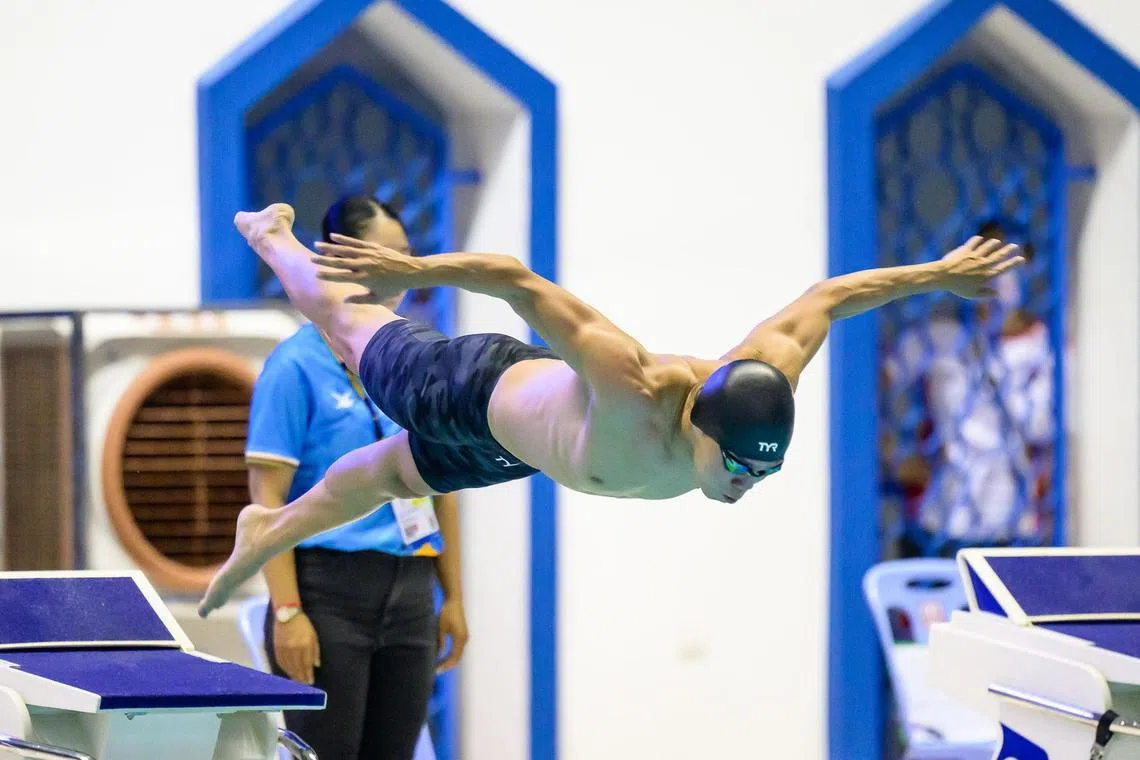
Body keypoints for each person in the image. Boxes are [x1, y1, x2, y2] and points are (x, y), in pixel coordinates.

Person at [198, 202, 1024, 616]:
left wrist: (936, 275)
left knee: (389, 473)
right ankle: (273, 236)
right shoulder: (634, 381)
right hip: (474, 387)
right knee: (346, 323)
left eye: (759, 477)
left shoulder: (764, 372)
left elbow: (831, 297)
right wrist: (408, 265)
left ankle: (271, 529)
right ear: (697, 424)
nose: (742, 486)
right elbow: (519, 281)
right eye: (736, 467)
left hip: (518, 450)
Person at [246, 196, 467, 759]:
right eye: (389, 254)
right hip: (327, 593)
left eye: (408, 255)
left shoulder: (415, 359)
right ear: (342, 259)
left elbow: (441, 489)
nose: (403, 268)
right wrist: (288, 612)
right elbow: (266, 501)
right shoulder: (294, 365)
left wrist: (454, 596)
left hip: (412, 587)